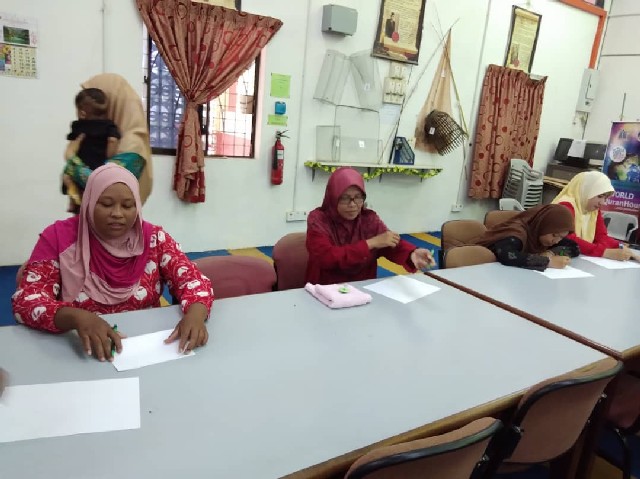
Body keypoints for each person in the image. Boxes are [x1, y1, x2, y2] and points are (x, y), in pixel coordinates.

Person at [13, 164, 213, 362]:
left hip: (145, 347)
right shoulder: (58, 239)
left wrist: (195, 316)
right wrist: (76, 317)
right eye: (106, 204)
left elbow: (193, 281)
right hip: (80, 349)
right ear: (89, 201)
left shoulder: (153, 239)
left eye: (127, 206)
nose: (117, 213)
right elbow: (27, 300)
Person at [305, 167, 435, 285]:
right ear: (333, 197)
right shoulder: (318, 220)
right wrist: (370, 243)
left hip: (363, 289)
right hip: (325, 290)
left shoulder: (368, 219)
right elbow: (326, 257)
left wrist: (412, 253)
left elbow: (390, 243)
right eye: (344, 198)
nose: (352, 204)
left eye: (358, 197)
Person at [62, 88, 122, 212]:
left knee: (67, 177)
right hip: (100, 166)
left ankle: (73, 200)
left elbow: (72, 145)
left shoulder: (78, 126)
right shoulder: (109, 125)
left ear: (82, 113)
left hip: (81, 165)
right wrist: (109, 154)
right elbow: (113, 140)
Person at [470, 204, 579, 271]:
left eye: (561, 237)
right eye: (554, 235)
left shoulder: (541, 234)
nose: (556, 241)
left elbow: (575, 247)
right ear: (543, 226)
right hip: (477, 268)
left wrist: (551, 252)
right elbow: (507, 256)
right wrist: (548, 262)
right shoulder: (517, 233)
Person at [552, 171, 633, 260]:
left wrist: (621, 247)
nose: (602, 202)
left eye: (605, 198)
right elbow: (568, 239)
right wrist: (604, 252)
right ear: (586, 190)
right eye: (600, 196)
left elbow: (601, 236)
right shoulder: (565, 206)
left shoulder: (592, 209)